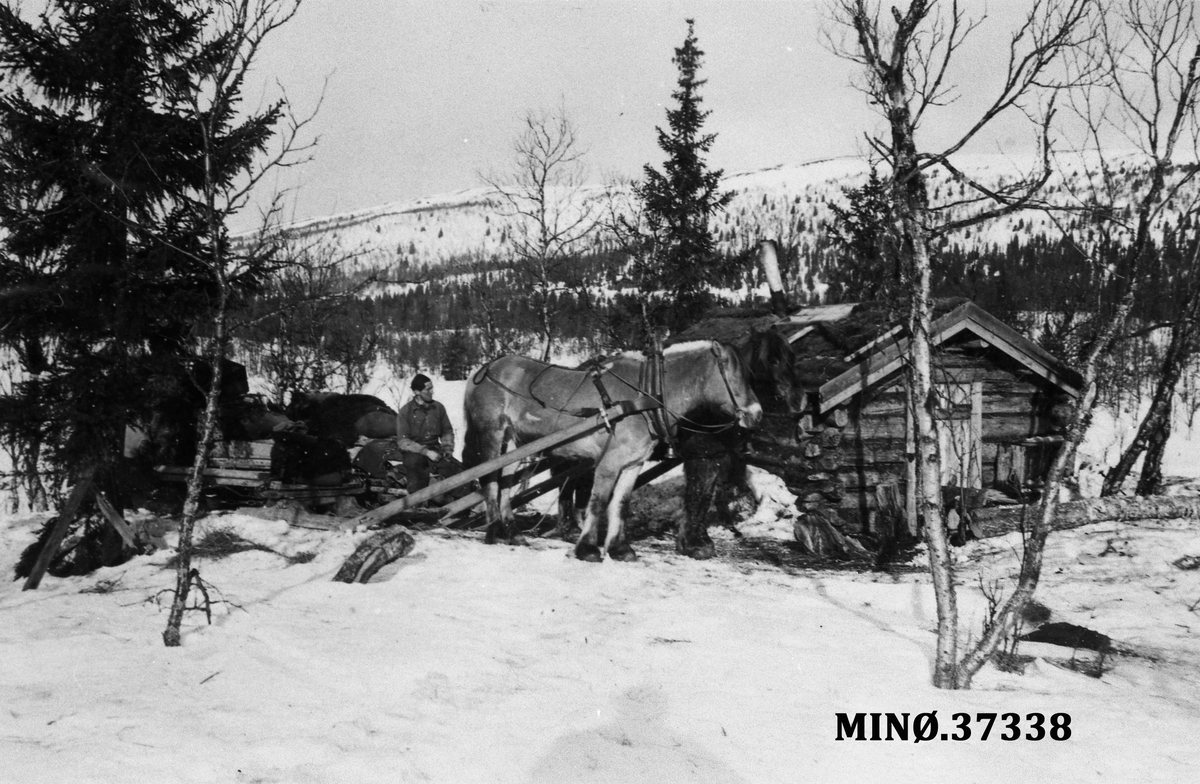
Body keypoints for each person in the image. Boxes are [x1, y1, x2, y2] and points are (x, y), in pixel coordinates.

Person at [396, 373, 459, 499]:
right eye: (428, 389)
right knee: (416, 469)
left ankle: (463, 504)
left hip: (435, 448)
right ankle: (417, 505)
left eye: (432, 388)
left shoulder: (438, 408)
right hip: (414, 451)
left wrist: (447, 448)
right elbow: (403, 441)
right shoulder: (405, 412)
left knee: (457, 470)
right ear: (417, 392)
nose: (432, 392)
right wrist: (425, 452)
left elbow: (446, 430)